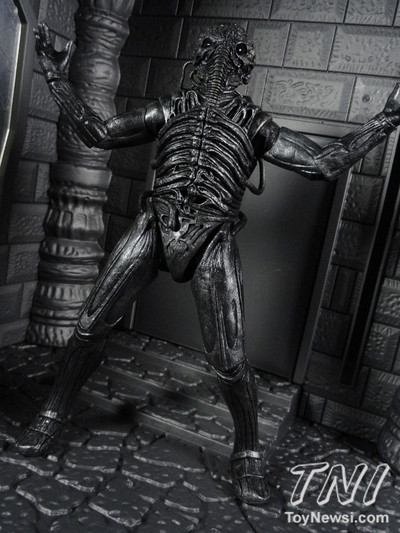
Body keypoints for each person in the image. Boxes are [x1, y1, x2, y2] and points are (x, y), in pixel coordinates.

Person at [16, 22, 400, 505]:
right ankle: (52, 413)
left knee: (230, 361)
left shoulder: (255, 124)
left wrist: (386, 120)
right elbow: (98, 132)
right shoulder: (169, 108)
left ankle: (248, 453)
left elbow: (324, 163)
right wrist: (54, 76)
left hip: (212, 235)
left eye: (230, 51)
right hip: (155, 223)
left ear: (243, 65)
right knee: (89, 326)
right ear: (198, 59)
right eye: (212, 49)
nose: (219, 59)